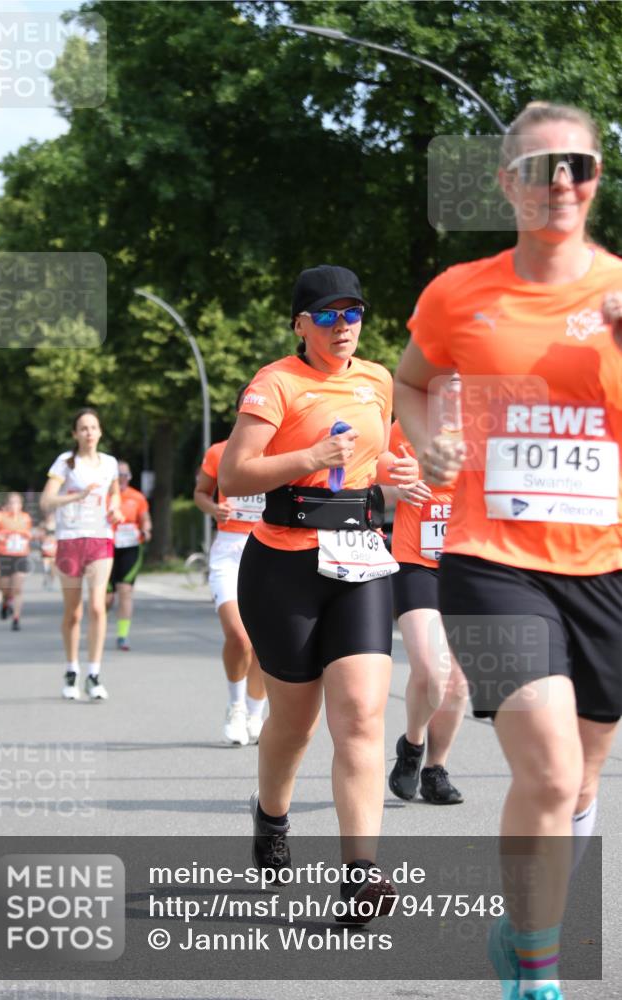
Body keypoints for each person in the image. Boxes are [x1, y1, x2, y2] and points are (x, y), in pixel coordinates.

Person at [394, 102, 622, 1000]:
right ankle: (536, 973)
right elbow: (414, 382)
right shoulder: (460, 293)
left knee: (577, 785)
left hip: (604, 565)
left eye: (578, 165)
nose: (559, 181)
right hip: (490, 561)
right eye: (538, 167)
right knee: (550, 766)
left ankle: (516, 924)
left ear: (596, 178)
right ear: (506, 183)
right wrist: (429, 440)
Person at [220, 264, 410, 923]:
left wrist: (397, 471)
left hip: (356, 557)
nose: (342, 326)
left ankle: (360, 876)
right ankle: (271, 817)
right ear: (300, 323)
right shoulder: (275, 384)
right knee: (294, 723)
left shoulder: (376, 379)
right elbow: (233, 472)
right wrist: (307, 460)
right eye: (326, 315)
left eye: (352, 312)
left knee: (360, 713)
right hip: (281, 566)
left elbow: (371, 459)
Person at [381, 414, 468, 805]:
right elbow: (367, 471)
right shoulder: (403, 426)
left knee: (458, 682)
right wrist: (396, 489)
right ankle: (412, 745)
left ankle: (435, 769)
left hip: (470, 562)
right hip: (417, 561)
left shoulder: (493, 426)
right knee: (431, 668)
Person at [193, 386, 268, 746]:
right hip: (229, 551)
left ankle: (256, 711)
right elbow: (200, 494)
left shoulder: (280, 452)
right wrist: (214, 509)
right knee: (239, 636)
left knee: (265, 642)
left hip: (270, 549)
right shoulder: (219, 452)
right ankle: (236, 707)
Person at [40, 407, 121, 701]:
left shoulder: (110, 463)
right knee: (74, 611)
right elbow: (47, 501)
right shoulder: (65, 462)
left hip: (100, 539)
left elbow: (114, 494)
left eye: (93, 427)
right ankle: (71, 669)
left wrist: (115, 507)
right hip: (70, 541)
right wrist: (78, 495)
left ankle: (94, 673)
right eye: (83, 428)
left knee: (98, 608)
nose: (89, 433)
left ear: (100, 432)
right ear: (75, 433)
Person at [106, 461, 152, 651]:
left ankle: (122, 636)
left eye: (126, 475)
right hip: (107, 547)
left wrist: (147, 530)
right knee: (106, 598)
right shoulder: (105, 496)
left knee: (125, 590)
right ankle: (99, 623)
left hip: (130, 547)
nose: (123, 479)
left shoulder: (137, 497)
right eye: (119, 475)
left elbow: (145, 519)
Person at [0, 493, 33, 631]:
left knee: (18, 589)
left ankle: (16, 618)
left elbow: (29, 533)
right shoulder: (0, 517)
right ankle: (5, 603)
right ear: (7, 504)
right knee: (6, 589)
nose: (15, 506)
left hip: (20, 555)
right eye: (12, 503)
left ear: (21, 505)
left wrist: (27, 536)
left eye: (17, 503)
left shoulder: (25, 517)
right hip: (4, 556)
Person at [39, 516, 57, 588]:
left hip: (54, 550)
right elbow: (39, 536)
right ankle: (46, 578)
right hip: (45, 549)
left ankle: (51, 582)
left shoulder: (57, 525)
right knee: (45, 568)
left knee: (53, 570)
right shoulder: (43, 525)